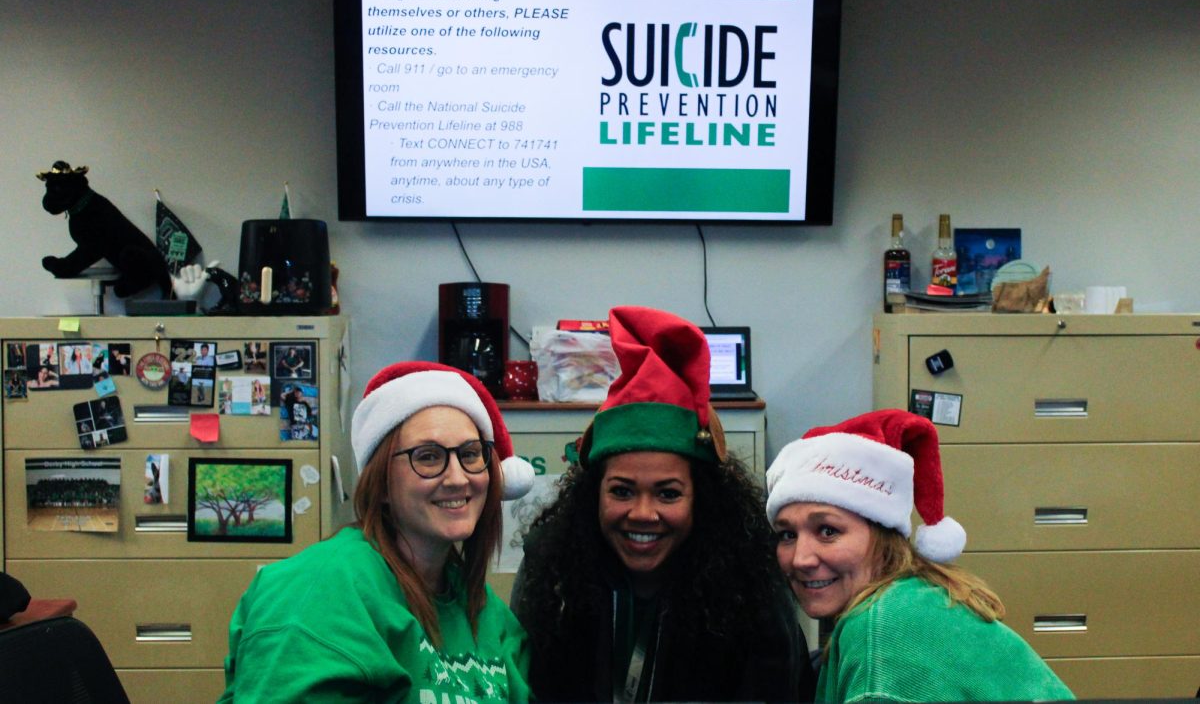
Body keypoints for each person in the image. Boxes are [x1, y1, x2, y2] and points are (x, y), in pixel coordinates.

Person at [511, 306, 816, 702]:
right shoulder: (551, 570)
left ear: (702, 498)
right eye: (621, 491)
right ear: (593, 494)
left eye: (668, 493)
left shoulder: (749, 578)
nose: (642, 513)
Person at [219, 361, 537, 702]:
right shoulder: (319, 592)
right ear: (381, 483)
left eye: (470, 454)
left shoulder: (486, 612)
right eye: (428, 457)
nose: (458, 478)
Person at [766, 409, 1074, 702]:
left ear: (884, 537)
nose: (800, 559)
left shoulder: (883, 636)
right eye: (787, 535)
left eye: (828, 531)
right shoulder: (906, 596)